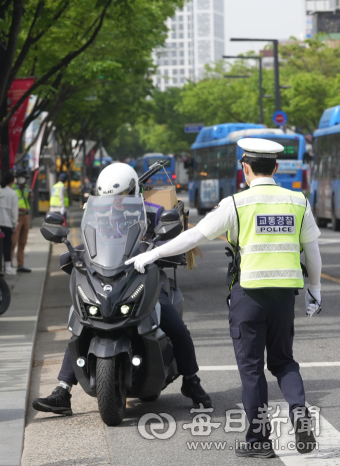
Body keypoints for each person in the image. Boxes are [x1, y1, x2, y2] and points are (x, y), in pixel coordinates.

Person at [127, 138, 322, 459]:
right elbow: (312, 251)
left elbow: (195, 235)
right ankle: (299, 411)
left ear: (245, 168)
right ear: (276, 168)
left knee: (251, 369)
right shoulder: (298, 201)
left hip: (248, 296)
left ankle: (259, 441)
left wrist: (153, 254)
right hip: (285, 297)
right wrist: (314, 289)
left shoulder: (236, 203)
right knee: (284, 361)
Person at [33, 163, 211, 417]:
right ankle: (63, 390)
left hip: (144, 279)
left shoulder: (154, 212)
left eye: (120, 196)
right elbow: (89, 242)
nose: (114, 202)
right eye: (108, 198)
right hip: (105, 277)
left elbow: (168, 242)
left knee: (177, 328)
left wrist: (161, 250)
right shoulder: (97, 214)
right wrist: (75, 255)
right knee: (81, 322)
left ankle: (192, 381)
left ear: (133, 190)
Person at [11, 169, 32, 273]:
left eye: (23, 177)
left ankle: (20, 264)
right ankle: (9, 264)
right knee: (13, 241)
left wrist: (30, 197)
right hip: (17, 216)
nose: (21, 179)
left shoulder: (28, 189)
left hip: (26, 216)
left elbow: (28, 200)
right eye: (19, 176)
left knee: (23, 242)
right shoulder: (13, 189)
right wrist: (19, 209)